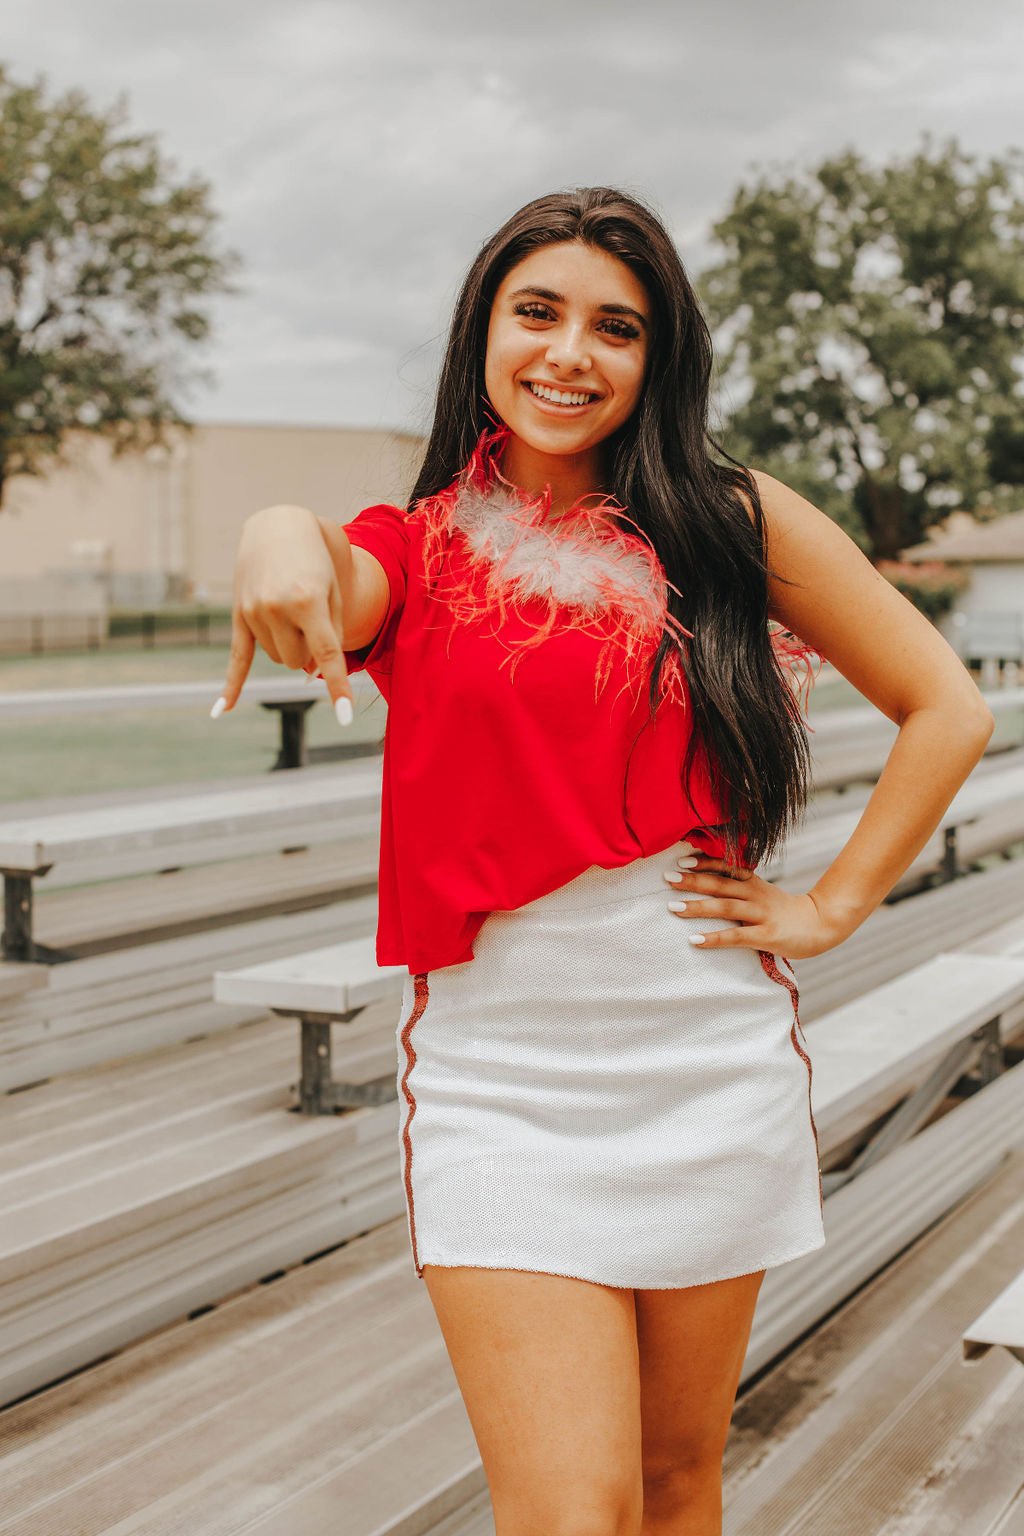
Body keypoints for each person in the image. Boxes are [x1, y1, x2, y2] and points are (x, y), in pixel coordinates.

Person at [216, 187, 994, 1536]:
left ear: (659, 358)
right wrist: (273, 529)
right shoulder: (421, 543)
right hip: (502, 1087)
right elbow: (328, 584)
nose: (570, 352)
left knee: (675, 1481)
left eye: (615, 327)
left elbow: (949, 703)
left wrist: (831, 907)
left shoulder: (734, 522)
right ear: (485, 332)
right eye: (539, 312)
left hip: (705, 1065)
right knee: (574, 1513)